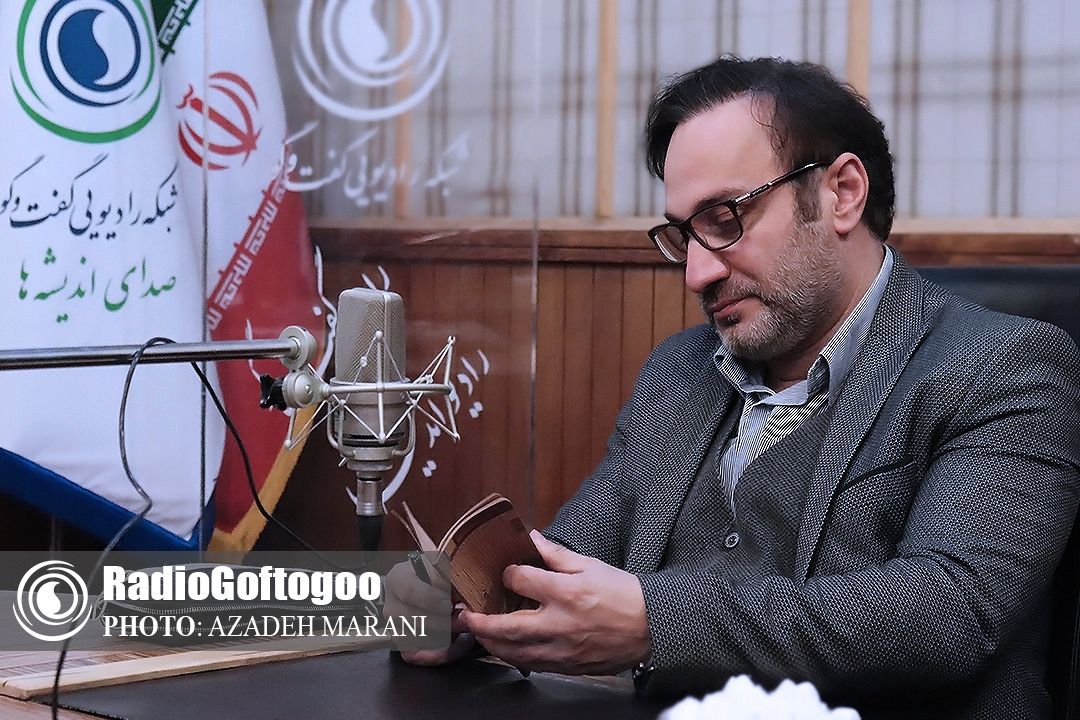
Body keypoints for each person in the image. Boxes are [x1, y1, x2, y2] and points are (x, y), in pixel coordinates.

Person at [409, 56, 1080, 718]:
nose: (697, 273)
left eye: (725, 218)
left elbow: (949, 614)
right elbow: (565, 566)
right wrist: (448, 608)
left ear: (842, 193)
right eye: (684, 235)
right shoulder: (680, 371)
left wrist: (655, 622)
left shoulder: (1004, 364)